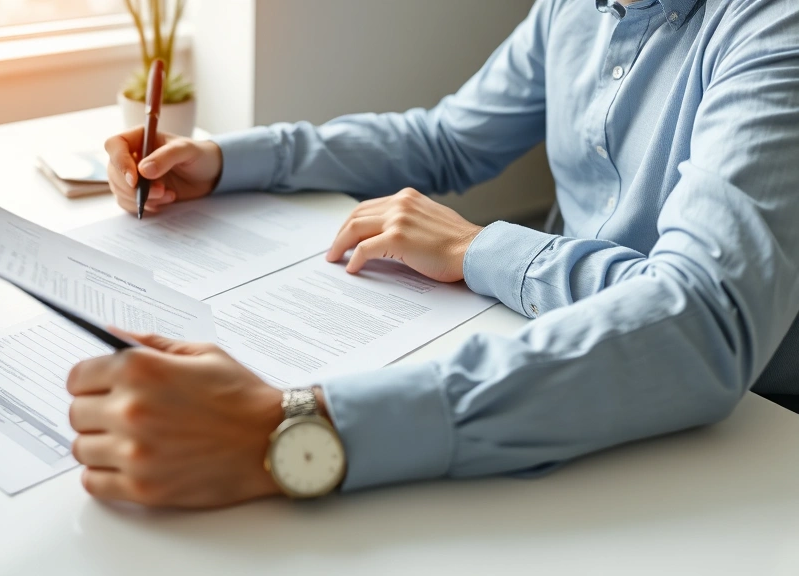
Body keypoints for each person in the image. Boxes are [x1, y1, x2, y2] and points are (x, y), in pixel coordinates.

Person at [66, 0, 799, 508]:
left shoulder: (777, 28)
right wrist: (229, 159)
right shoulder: (571, 10)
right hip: (545, 355)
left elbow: (704, 319)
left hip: (752, 433)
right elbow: (446, 139)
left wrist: (299, 426)